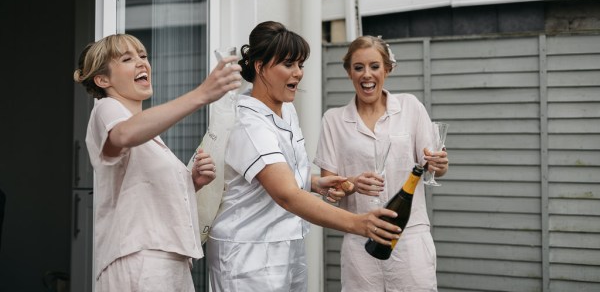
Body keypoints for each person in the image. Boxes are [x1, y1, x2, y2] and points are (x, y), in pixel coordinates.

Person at [206, 21, 402, 292]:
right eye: (289, 64)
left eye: (301, 64)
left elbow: (279, 174)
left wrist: (314, 182)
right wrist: (358, 223)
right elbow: (286, 194)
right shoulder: (248, 123)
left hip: (287, 246)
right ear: (261, 67)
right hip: (248, 255)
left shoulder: (285, 109)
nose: (298, 73)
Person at [73, 33, 242, 292]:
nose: (142, 63)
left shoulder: (150, 136)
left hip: (167, 260)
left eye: (143, 56)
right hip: (141, 260)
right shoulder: (106, 108)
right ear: (103, 79)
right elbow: (123, 135)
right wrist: (201, 94)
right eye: (128, 59)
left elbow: (146, 192)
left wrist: (192, 182)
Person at [314, 35, 449, 292]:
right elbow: (329, 194)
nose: (367, 75)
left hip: (410, 239)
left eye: (374, 66)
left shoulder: (411, 107)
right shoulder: (333, 120)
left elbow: (434, 167)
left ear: (387, 69)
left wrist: (440, 164)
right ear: (348, 72)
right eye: (358, 67)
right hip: (360, 240)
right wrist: (352, 183)